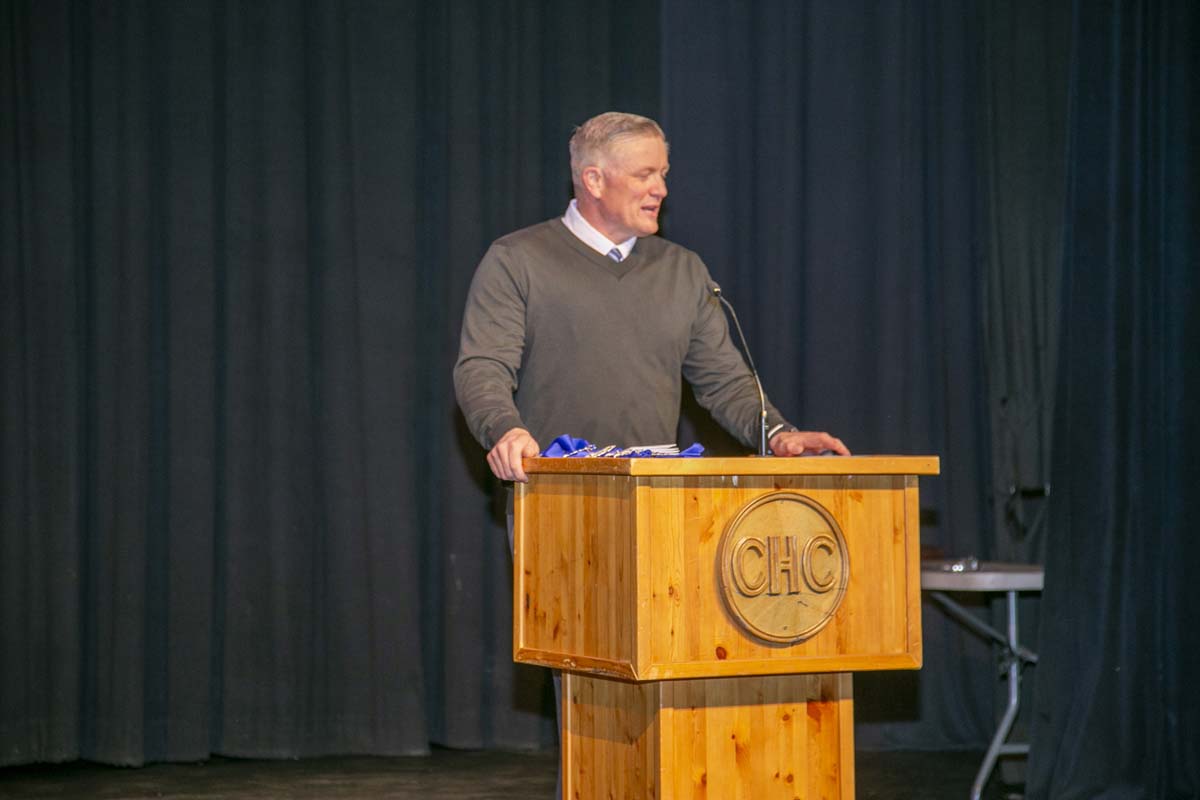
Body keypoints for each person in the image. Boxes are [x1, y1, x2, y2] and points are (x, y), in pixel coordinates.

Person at [454, 111, 848, 484]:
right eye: (645, 175)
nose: (661, 189)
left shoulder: (684, 269)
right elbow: (483, 369)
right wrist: (506, 431)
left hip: (659, 502)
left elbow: (725, 383)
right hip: (554, 497)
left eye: (662, 174)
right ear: (594, 180)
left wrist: (777, 434)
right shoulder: (517, 260)